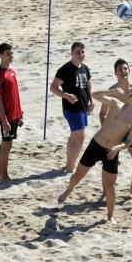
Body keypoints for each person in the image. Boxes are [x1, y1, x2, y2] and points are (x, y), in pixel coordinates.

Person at [58, 86, 132, 222]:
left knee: (110, 186)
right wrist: (110, 92)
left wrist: (119, 147)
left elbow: (129, 141)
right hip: (96, 145)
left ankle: (110, 216)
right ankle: (68, 190)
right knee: (78, 175)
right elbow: (95, 95)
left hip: (111, 151)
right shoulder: (116, 104)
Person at [99, 59, 132, 199]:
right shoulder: (112, 91)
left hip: (131, 132)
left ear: (129, 70)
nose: (123, 71)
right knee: (108, 165)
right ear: (115, 73)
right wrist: (107, 130)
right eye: (120, 69)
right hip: (114, 134)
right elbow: (102, 114)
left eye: (125, 69)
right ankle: (105, 192)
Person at [49, 42, 93, 173]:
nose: (80, 55)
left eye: (82, 52)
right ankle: (70, 167)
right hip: (71, 108)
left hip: (83, 107)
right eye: (77, 52)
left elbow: (88, 86)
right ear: (72, 53)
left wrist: (91, 102)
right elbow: (53, 88)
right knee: (80, 136)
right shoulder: (65, 69)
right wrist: (66, 95)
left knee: (74, 136)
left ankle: (69, 164)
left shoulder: (85, 68)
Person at [0, 42, 23, 182]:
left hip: (15, 114)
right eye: (8, 54)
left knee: (5, 143)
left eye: (11, 53)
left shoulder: (12, 71)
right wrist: (4, 120)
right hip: (6, 116)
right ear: (0, 55)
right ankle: (4, 175)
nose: (11, 56)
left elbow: (16, 94)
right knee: (7, 144)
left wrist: (20, 113)